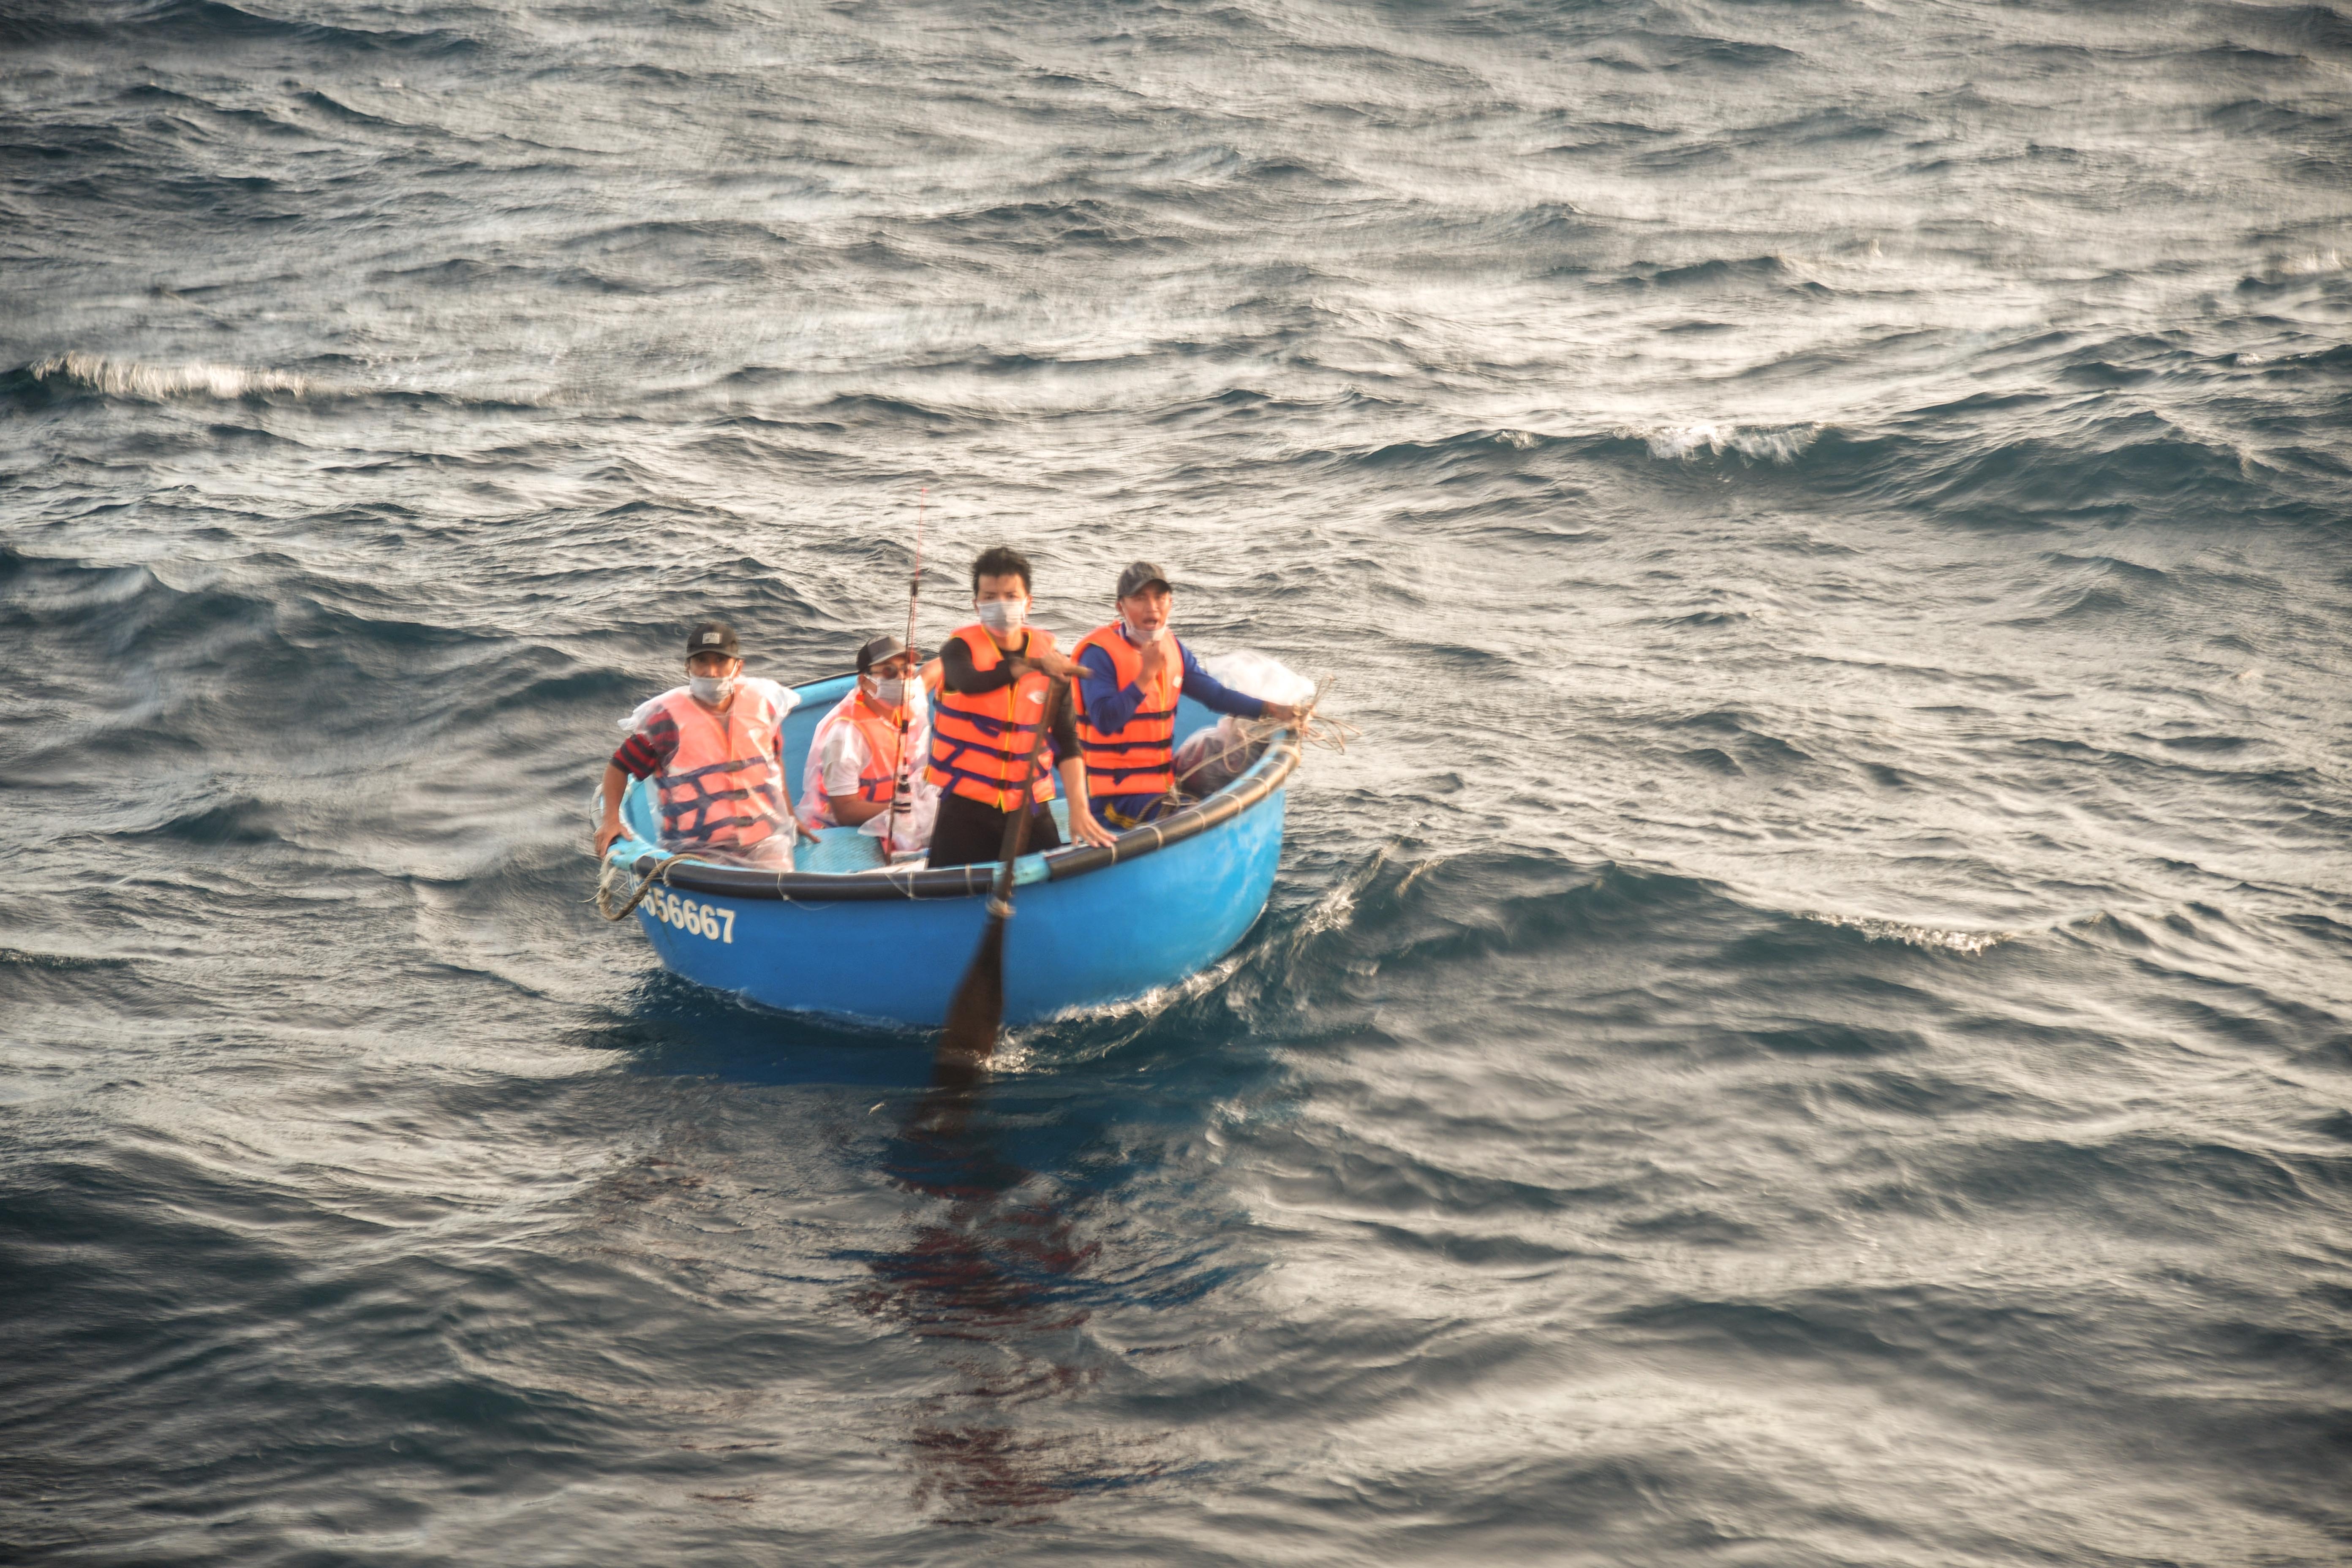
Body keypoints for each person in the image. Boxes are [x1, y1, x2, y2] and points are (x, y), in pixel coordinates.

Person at [926, 545, 1120, 868]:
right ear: (976, 604)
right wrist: (1030, 666)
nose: (1001, 605)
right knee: (942, 898)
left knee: (1056, 886)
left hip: (1028, 811)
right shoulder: (957, 650)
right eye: (989, 597)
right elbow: (972, 683)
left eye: (1011, 596)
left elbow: (1068, 742)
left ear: (1028, 602)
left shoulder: (1053, 661)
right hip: (963, 812)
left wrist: (1079, 809)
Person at [1073, 561, 1299, 830]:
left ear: (1170, 601)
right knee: (1190, 817)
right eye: (1140, 598)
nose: (1152, 607)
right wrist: (1145, 676)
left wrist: (1272, 710)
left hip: (1161, 785)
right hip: (1115, 799)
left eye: (1160, 597)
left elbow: (1215, 695)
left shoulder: (1172, 647)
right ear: (1120, 606)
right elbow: (1106, 721)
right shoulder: (1099, 654)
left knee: (1215, 791)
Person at [594, 621, 800, 869]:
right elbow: (618, 767)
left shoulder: (763, 708)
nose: (711, 672)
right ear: (687, 668)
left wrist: (791, 817)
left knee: (779, 890)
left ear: (738, 667)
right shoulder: (664, 720)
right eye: (701, 662)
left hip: (764, 841)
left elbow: (773, 765)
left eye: (721, 661)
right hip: (694, 851)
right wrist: (610, 821)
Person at [800, 634, 941, 857]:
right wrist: (904, 812)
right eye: (889, 672)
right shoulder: (846, 735)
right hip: (844, 833)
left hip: (898, 819)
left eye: (906, 670)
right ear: (865, 682)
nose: (901, 679)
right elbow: (845, 811)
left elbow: (931, 673)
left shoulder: (910, 703)